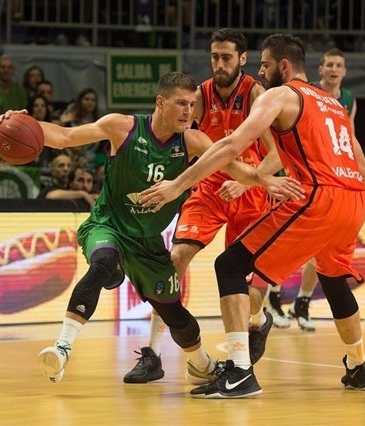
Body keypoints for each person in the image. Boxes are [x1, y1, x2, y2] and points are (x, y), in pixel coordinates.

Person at [139, 33, 365, 398]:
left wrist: (176, 186)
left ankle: (239, 372)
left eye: (266, 66)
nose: (262, 73)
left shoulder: (280, 94)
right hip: (354, 200)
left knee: (230, 266)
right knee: (332, 280)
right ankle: (359, 365)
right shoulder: (332, 103)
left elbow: (232, 145)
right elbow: (356, 156)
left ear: (284, 66)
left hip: (316, 196)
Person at [0, 72, 242, 386]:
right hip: (108, 223)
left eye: (192, 104)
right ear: (160, 102)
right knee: (103, 262)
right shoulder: (122, 127)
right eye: (181, 103)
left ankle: (201, 364)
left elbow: (232, 163)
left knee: (172, 311)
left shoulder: (192, 142)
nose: (188, 111)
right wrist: (20, 122)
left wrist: (264, 178)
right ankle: (62, 348)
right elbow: (63, 137)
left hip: (146, 240)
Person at [125, 28, 282, 383]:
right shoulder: (199, 95)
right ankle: (153, 353)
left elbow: (277, 155)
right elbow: (181, 139)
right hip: (210, 187)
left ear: (243, 59)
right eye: (214, 56)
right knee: (174, 259)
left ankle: (259, 321)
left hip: (250, 189)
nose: (219, 63)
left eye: (227, 57)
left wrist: (246, 180)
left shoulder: (258, 94)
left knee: (246, 289)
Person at [275, 47, 360, 332]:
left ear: (344, 71)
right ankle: (273, 296)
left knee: (320, 249)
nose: (334, 69)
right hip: (301, 174)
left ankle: (302, 301)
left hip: (333, 180)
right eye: (329, 65)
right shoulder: (306, 93)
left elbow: (349, 139)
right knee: (288, 242)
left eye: (339, 65)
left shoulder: (347, 100)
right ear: (320, 70)